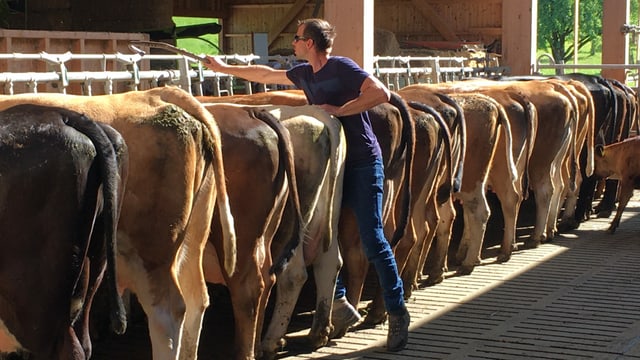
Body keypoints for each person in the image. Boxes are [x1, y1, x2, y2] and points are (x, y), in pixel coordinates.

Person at [204, 18, 410, 352]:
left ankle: (397, 310)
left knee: (372, 238)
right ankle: (338, 300)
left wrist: (339, 109)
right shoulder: (305, 73)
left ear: (310, 43)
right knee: (325, 232)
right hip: (336, 161)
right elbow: (265, 75)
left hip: (362, 161)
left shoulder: (342, 67)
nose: (294, 43)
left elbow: (380, 93)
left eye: (297, 39)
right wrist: (224, 68)